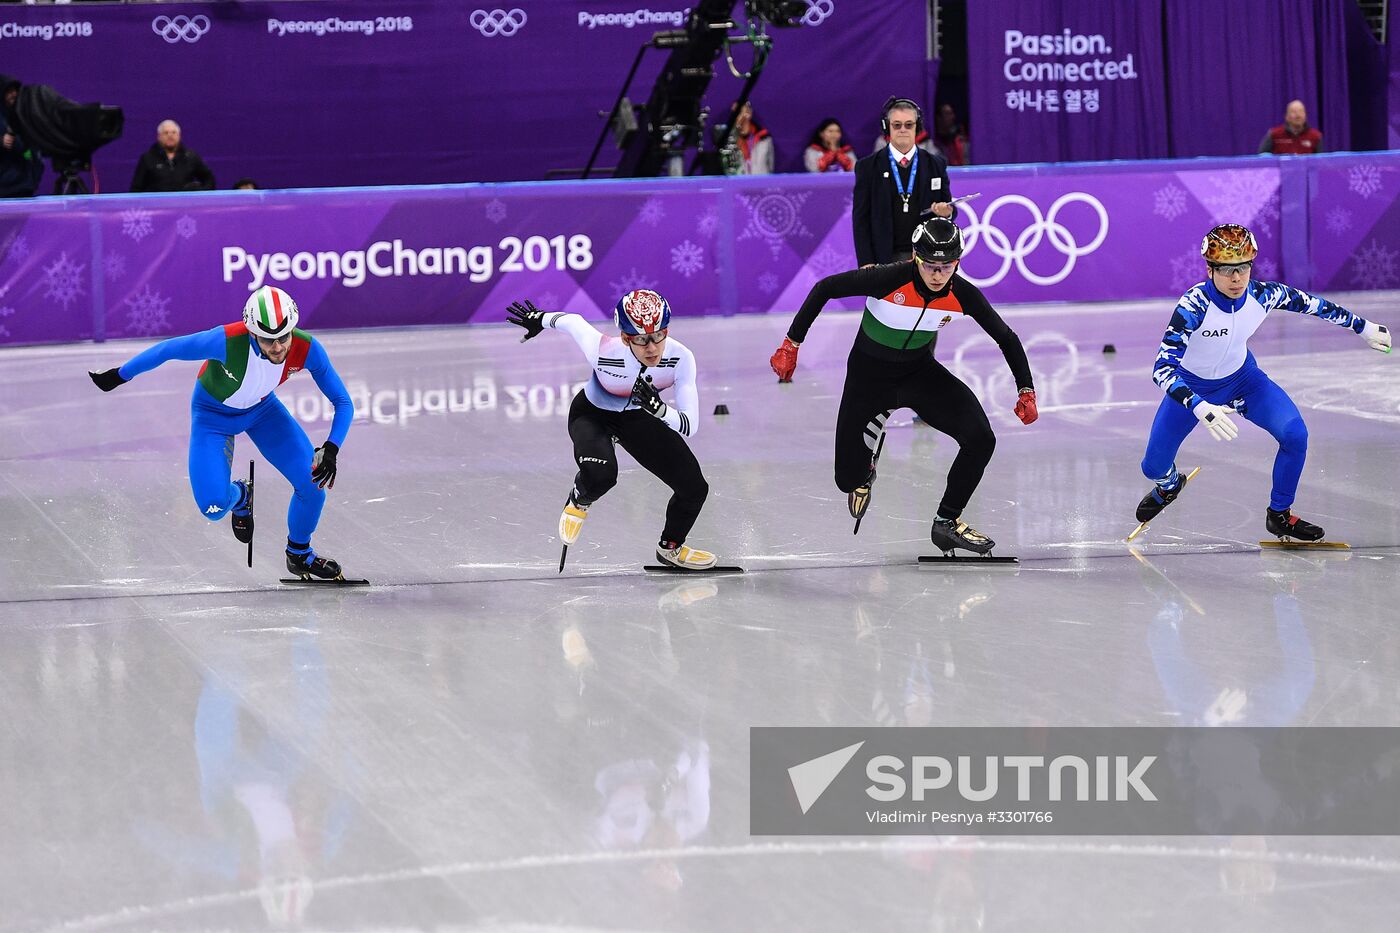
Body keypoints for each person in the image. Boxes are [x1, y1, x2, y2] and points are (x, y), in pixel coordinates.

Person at [768, 217, 1038, 555]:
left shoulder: (963, 294)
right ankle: (865, 471)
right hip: (869, 377)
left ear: (957, 263)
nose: (938, 274)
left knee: (981, 439)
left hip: (919, 373)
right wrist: (792, 342)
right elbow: (825, 288)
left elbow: (1007, 339)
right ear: (915, 258)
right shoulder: (888, 278)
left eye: (947, 266)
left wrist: (1025, 389)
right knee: (846, 481)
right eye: (930, 266)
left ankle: (946, 523)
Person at [1136, 224, 1391, 541]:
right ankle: (1171, 483)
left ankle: (1280, 515)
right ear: (1210, 269)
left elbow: (1314, 305)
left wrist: (1362, 327)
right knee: (1153, 466)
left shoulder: (1263, 295)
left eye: (1242, 269)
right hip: (1193, 387)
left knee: (1295, 434)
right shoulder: (1194, 306)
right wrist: (1200, 406)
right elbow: (1162, 368)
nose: (1236, 279)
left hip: (1244, 381)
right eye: (1228, 270)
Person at [87, 286, 353, 579]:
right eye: (267, 339)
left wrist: (332, 447)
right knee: (213, 508)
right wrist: (119, 375)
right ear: (252, 333)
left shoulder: (307, 348)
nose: (278, 347)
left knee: (313, 484)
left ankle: (300, 554)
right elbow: (169, 350)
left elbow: (342, 402)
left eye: (283, 337)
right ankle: (241, 496)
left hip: (263, 411)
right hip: (212, 418)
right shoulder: (226, 341)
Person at [506, 290, 716, 570]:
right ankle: (579, 499)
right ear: (626, 338)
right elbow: (572, 321)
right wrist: (540, 319)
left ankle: (671, 548)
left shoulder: (681, 358)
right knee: (602, 476)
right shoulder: (602, 349)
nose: (652, 348)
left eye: (659, 336)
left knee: (694, 488)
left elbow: (691, 426)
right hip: (593, 416)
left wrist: (661, 411)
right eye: (642, 339)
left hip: (640, 418)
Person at [853, 97, 955, 268]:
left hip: (925, 256)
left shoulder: (935, 164)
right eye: (897, 125)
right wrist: (866, 261)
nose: (903, 130)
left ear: (918, 127)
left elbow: (949, 207)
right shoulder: (867, 167)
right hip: (882, 257)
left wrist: (947, 212)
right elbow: (860, 219)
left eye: (909, 125)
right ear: (887, 127)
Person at [130, 119, 216, 192]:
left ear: (179, 136)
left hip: (185, 207)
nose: (170, 136)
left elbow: (209, 180)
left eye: (174, 132)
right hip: (157, 208)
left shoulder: (191, 157)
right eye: (166, 133)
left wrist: (200, 196)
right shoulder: (147, 158)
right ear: (159, 136)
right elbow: (136, 189)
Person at [0, 74, 43, 198]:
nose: (14, 94)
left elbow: (28, 151)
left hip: (24, 189)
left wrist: (32, 171)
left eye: (15, 90)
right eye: (9, 91)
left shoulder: (24, 117)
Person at [1257, 100, 1322, 155]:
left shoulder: (1315, 136)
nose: (1298, 115)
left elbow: (1321, 162)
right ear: (1286, 116)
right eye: (1294, 112)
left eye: (1301, 111)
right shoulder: (1274, 134)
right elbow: (1262, 157)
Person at [729, 101, 773, 175]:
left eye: (738, 112)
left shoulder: (764, 138)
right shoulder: (730, 141)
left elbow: (770, 167)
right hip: (738, 185)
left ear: (749, 113)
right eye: (733, 113)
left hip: (761, 184)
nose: (735, 117)